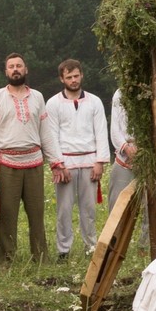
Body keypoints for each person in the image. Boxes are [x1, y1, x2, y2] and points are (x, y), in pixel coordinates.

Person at [0, 54, 48, 265]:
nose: (15, 69)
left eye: (19, 66)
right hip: (7, 162)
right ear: (6, 72)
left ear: (26, 70)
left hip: (34, 161)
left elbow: (46, 132)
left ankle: (41, 259)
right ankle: (6, 261)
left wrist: (56, 161)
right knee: (7, 215)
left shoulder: (37, 97)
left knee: (37, 215)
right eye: (11, 67)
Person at [46, 59, 108, 262]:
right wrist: (57, 164)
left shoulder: (94, 101)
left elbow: (101, 131)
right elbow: (51, 134)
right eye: (69, 77)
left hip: (89, 161)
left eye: (76, 76)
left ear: (81, 75)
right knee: (64, 209)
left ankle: (91, 247)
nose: (73, 80)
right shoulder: (53, 103)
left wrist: (100, 161)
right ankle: (63, 250)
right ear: (62, 78)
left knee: (88, 209)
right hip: (66, 163)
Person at [106, 87, 137, 219]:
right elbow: (115, 128)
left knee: (150, 207)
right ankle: (113, 238)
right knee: (117, 204)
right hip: (124, 154)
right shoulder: (120, 93)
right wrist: (126, 148)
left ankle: (147, 239)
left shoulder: (153, 88)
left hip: (148, 152)